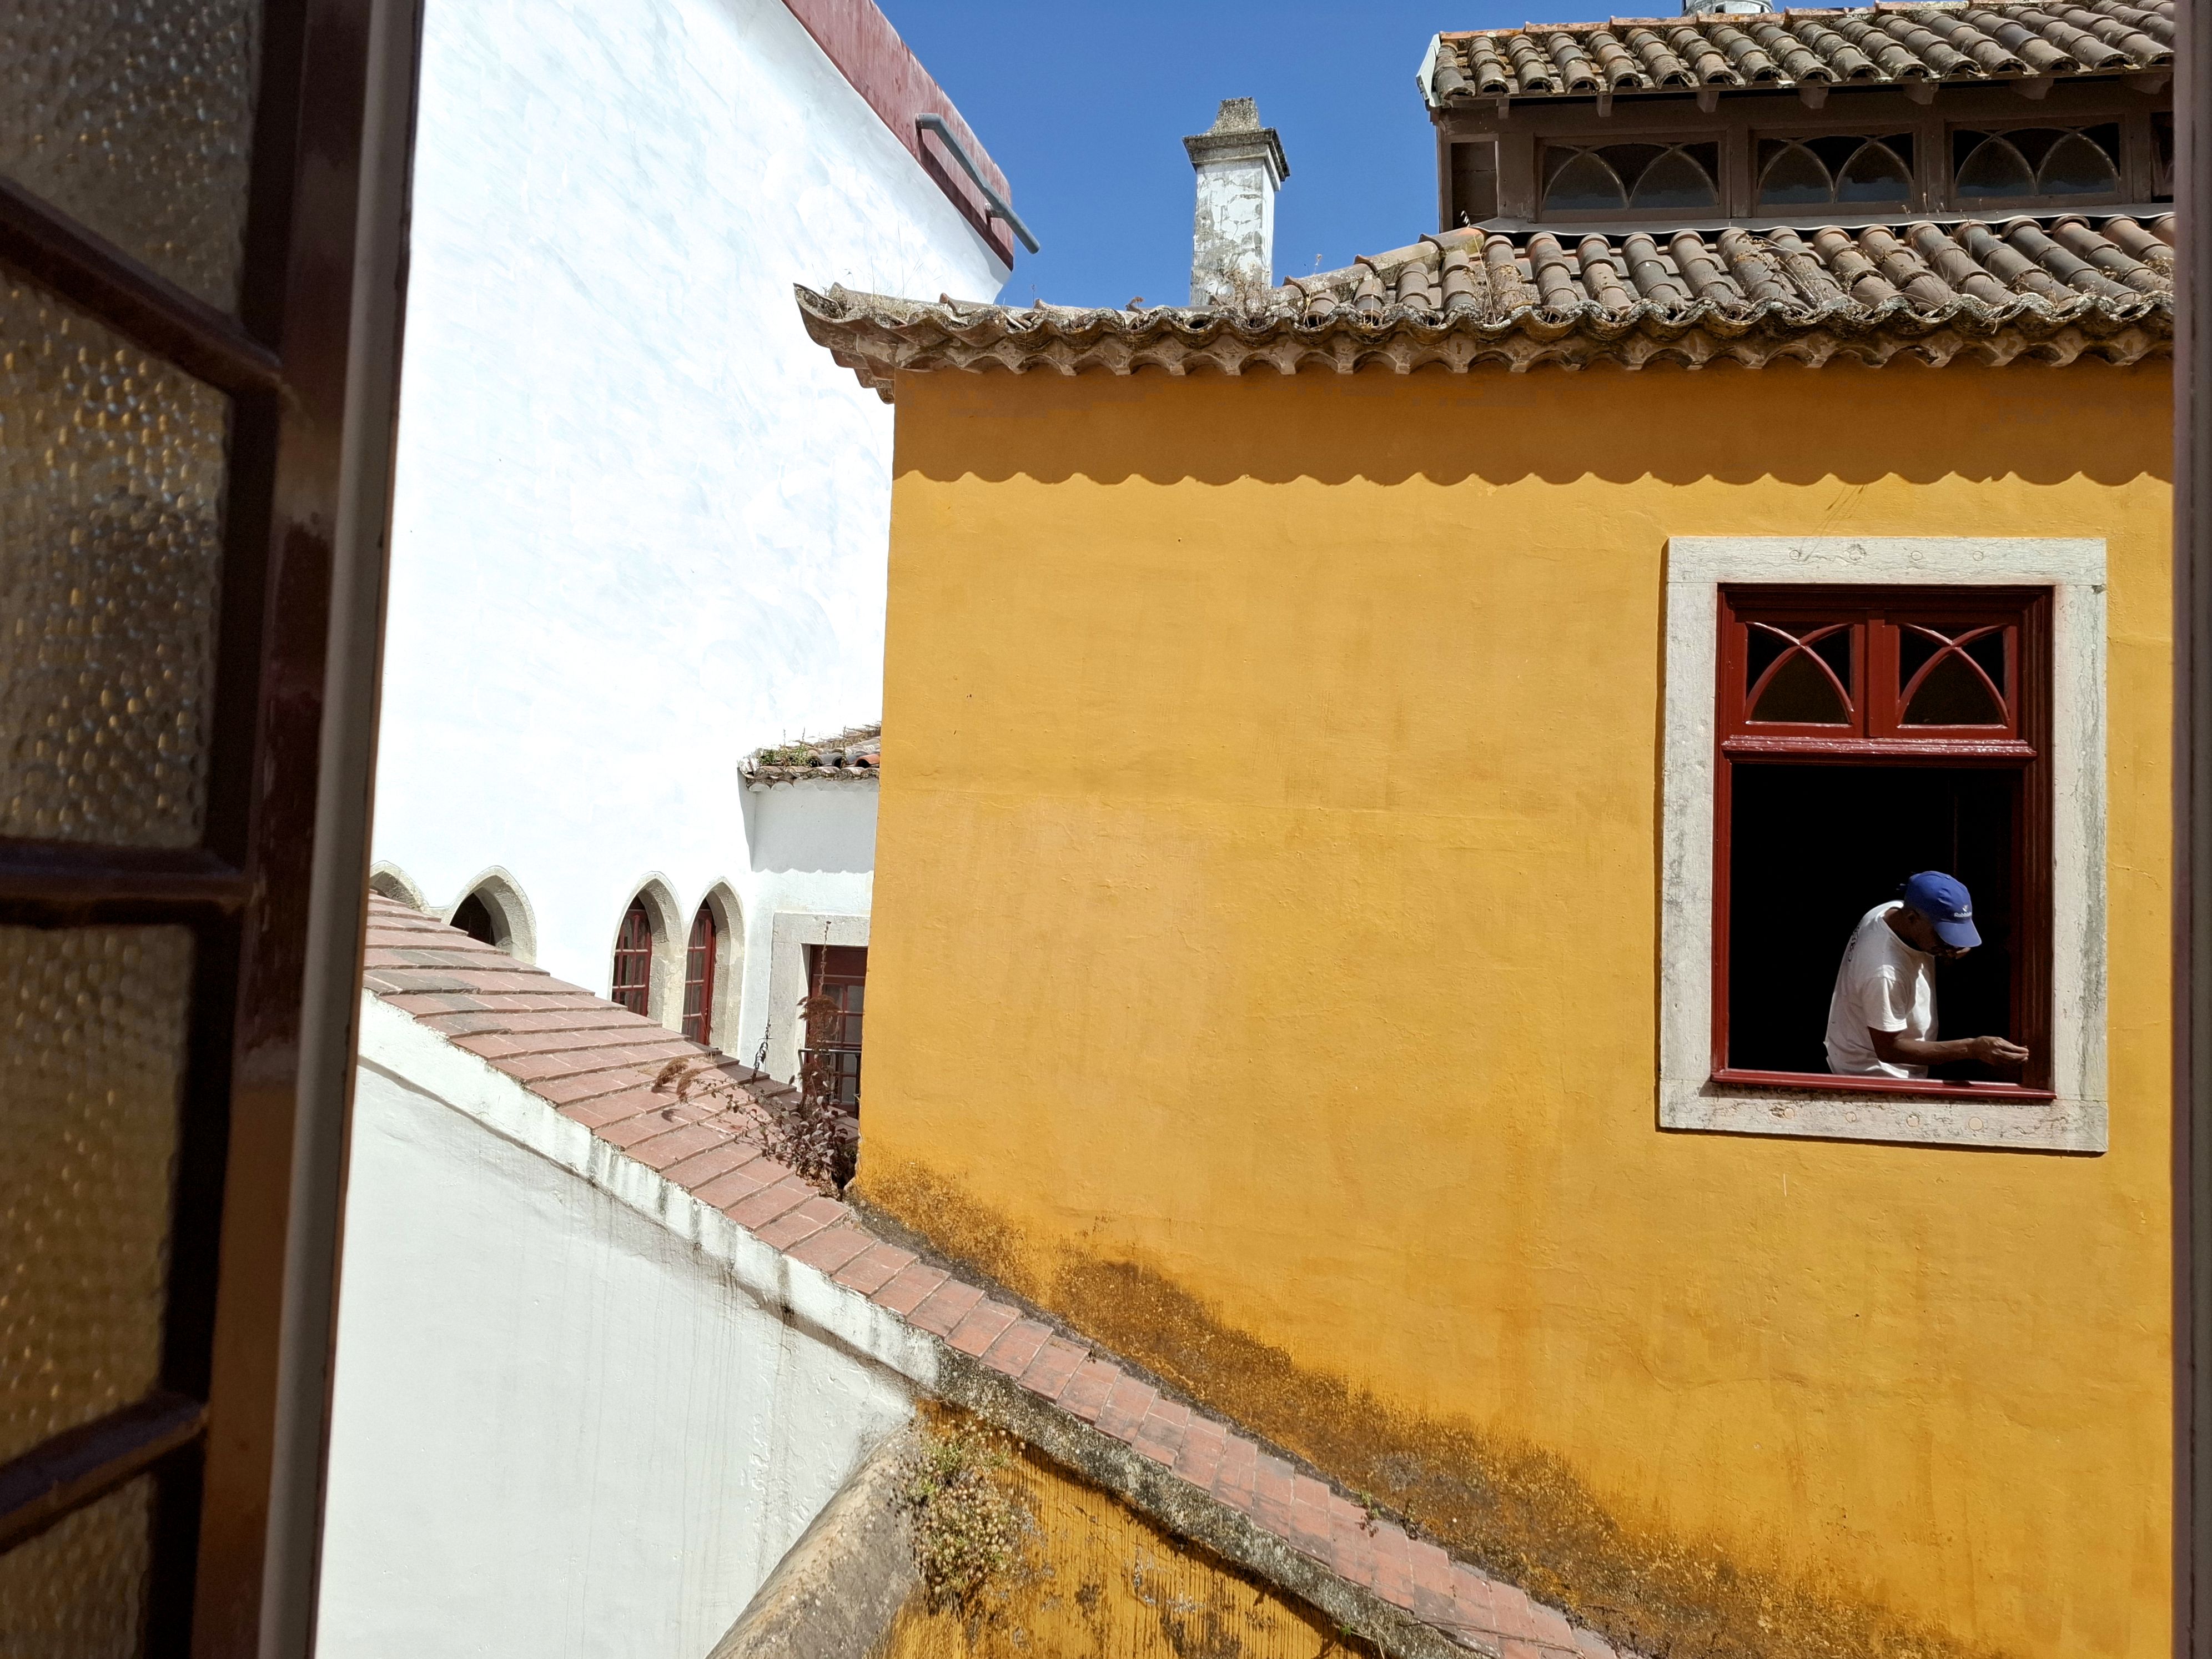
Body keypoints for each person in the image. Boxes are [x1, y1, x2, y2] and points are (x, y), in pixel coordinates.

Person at [1823, 871, 2030, 1079]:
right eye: (1944, 934)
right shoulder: (1884, 972)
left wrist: (1948, 945)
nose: (1952, 944)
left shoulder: (1892, 911)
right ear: (1913, 918)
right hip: (1877, 1076)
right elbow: (1889, 1050)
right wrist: (1972, 1048)